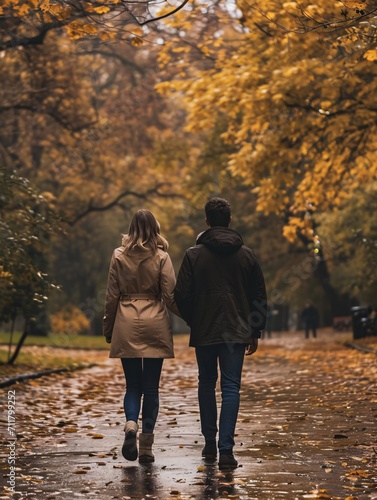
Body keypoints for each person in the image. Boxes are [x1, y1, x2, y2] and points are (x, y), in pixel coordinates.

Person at [174, 197, 267, 470]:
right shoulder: (247, 255)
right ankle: (227, 450)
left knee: (206, 383)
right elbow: (259, 296)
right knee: (230, 387)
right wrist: (254, 330)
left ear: (207, 222)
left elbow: (181, 295)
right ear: (229, 221)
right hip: (237, 332)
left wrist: (196, 319)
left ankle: (210, 444)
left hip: (205, 330)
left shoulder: (193, 255)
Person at [103, 209, 180, 463]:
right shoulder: (161, 257)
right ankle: (146, 447)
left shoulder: (118, 255)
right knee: (151, 388)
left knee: (133, 386)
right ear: (154, 228)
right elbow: (169, 296)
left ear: (131, 228)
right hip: (154, 323)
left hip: (125, 321)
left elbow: (112, 296)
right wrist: (191, 318)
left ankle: (130, 425)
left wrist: (108, 329)